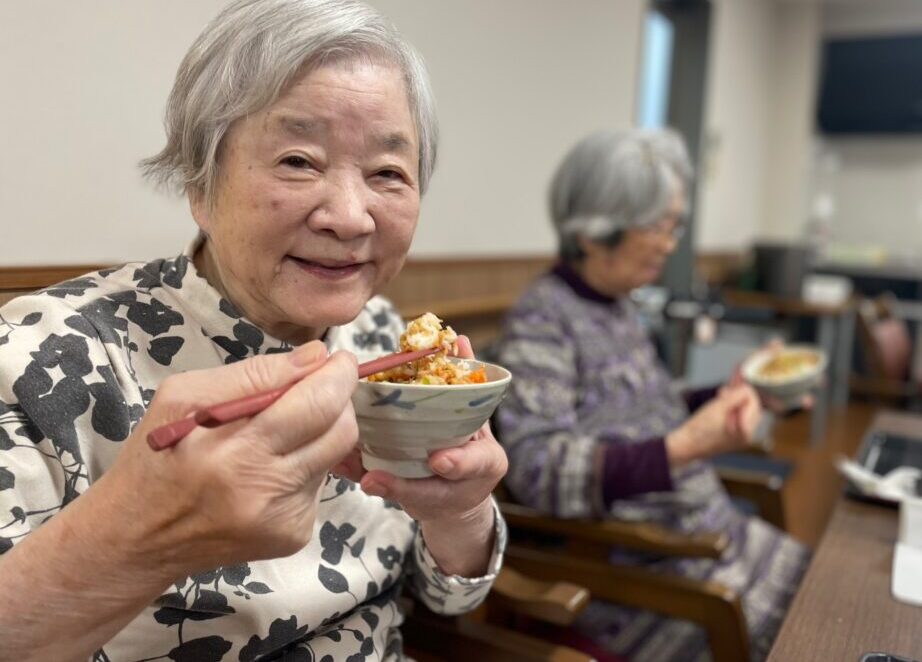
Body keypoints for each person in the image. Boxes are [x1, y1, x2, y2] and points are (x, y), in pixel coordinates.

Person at [0, 1, 508, 659]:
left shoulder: (386, 337)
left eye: (387, 173)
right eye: (299, 160)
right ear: (200, 183)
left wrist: (459, 512)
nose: (351, 218)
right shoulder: (41, 352)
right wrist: (136, 535)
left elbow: (449, 597)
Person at [494, 128, 808, 661]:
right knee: (820, 634)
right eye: (658, 227)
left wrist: (746, 390)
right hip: (645, 574)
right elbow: (537, 466)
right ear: (594, 233)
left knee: (830, 593)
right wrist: (683, 448)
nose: (670, 243)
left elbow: (648, 410)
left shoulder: (617, 307)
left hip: (707, 534)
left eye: (673, 226)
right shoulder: (542, 322)